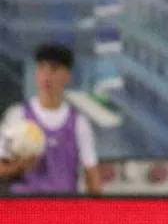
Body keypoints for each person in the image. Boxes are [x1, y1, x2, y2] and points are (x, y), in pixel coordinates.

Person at [0, 44, 102, 194]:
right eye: (41, 68)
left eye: (54, 69)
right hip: (23, 209)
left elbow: (92, 175)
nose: (46, 76)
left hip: (63, 209)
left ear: (67, 76)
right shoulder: (17, 115)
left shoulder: (79, 123)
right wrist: (20, 167)